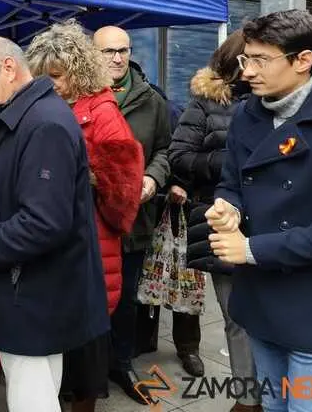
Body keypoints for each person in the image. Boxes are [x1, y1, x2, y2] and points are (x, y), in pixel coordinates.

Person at [0, 36, 109, 412]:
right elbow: (21, 188)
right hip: (27, 292)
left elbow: (43, 222)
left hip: (32, 296)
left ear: (9, 68)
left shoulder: (43, 124)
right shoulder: (18, 115)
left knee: (32, 397)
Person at [209, 9, 312, 412]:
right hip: (262, 303)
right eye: (246, 59)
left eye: (260, 60)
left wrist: (251, 250)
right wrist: (227, 206)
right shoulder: (248, 113)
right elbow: (232, 180)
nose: (246, 71)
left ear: (303, 61)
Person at [26, 21, 144, 412]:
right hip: (55, 238)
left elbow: (125, 183)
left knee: (87, 340)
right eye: (43, 77)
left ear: (77, 71)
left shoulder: (102, 109)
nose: (50, 84)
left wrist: (84, 178)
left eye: (56, 76)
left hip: (92, 241)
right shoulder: (49, 105)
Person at [92, 26, 205, 400]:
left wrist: (153, 179)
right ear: (93, 54)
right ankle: (86, 371)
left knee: (125, 298)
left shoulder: (150, 99)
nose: (117, 58)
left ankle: (121, 363)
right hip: (88, 221)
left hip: (135, 221)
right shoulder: (80, 96)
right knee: (89, 297)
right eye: (108, 51)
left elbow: (164, 148)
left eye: (123, 50)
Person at [169, 30, 260, 412]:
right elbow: (178, 155)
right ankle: (247, 399)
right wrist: (230, 164)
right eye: (250, 58)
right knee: (237, 316)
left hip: (275, 227)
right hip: (223, 224)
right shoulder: (206, 102)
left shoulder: (281, 103)